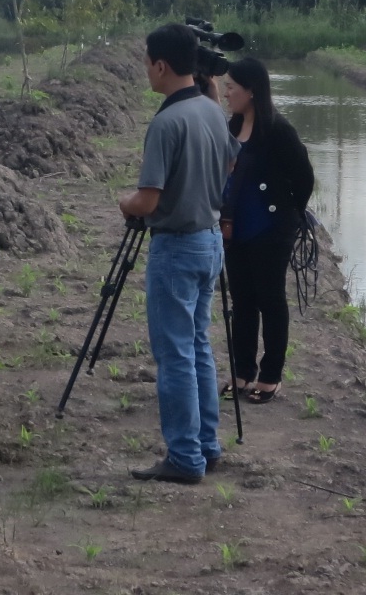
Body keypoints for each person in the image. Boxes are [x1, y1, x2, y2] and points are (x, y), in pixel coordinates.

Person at [119, 24, 239, 484]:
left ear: (161, 65)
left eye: (148, 63)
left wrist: (123, 203)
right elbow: (230, 160)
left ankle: (185, 457)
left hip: (176, 247)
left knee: (174, 356)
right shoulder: (211, 110)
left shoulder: (167, 122)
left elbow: (147, 201)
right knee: (198, 346)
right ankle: (206, 446)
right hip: (210, 241)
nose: (146, 71)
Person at [219, 57, 314, 404]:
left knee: (270, 299)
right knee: (242, 300)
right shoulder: (231, 126)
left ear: (252, 91)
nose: (227, 92)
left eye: (232, 87)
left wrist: (288, 215)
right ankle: (243, 371)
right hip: (235, 229)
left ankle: (271, 376)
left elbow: (304, 178)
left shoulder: (278, 130)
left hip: (271, 230)